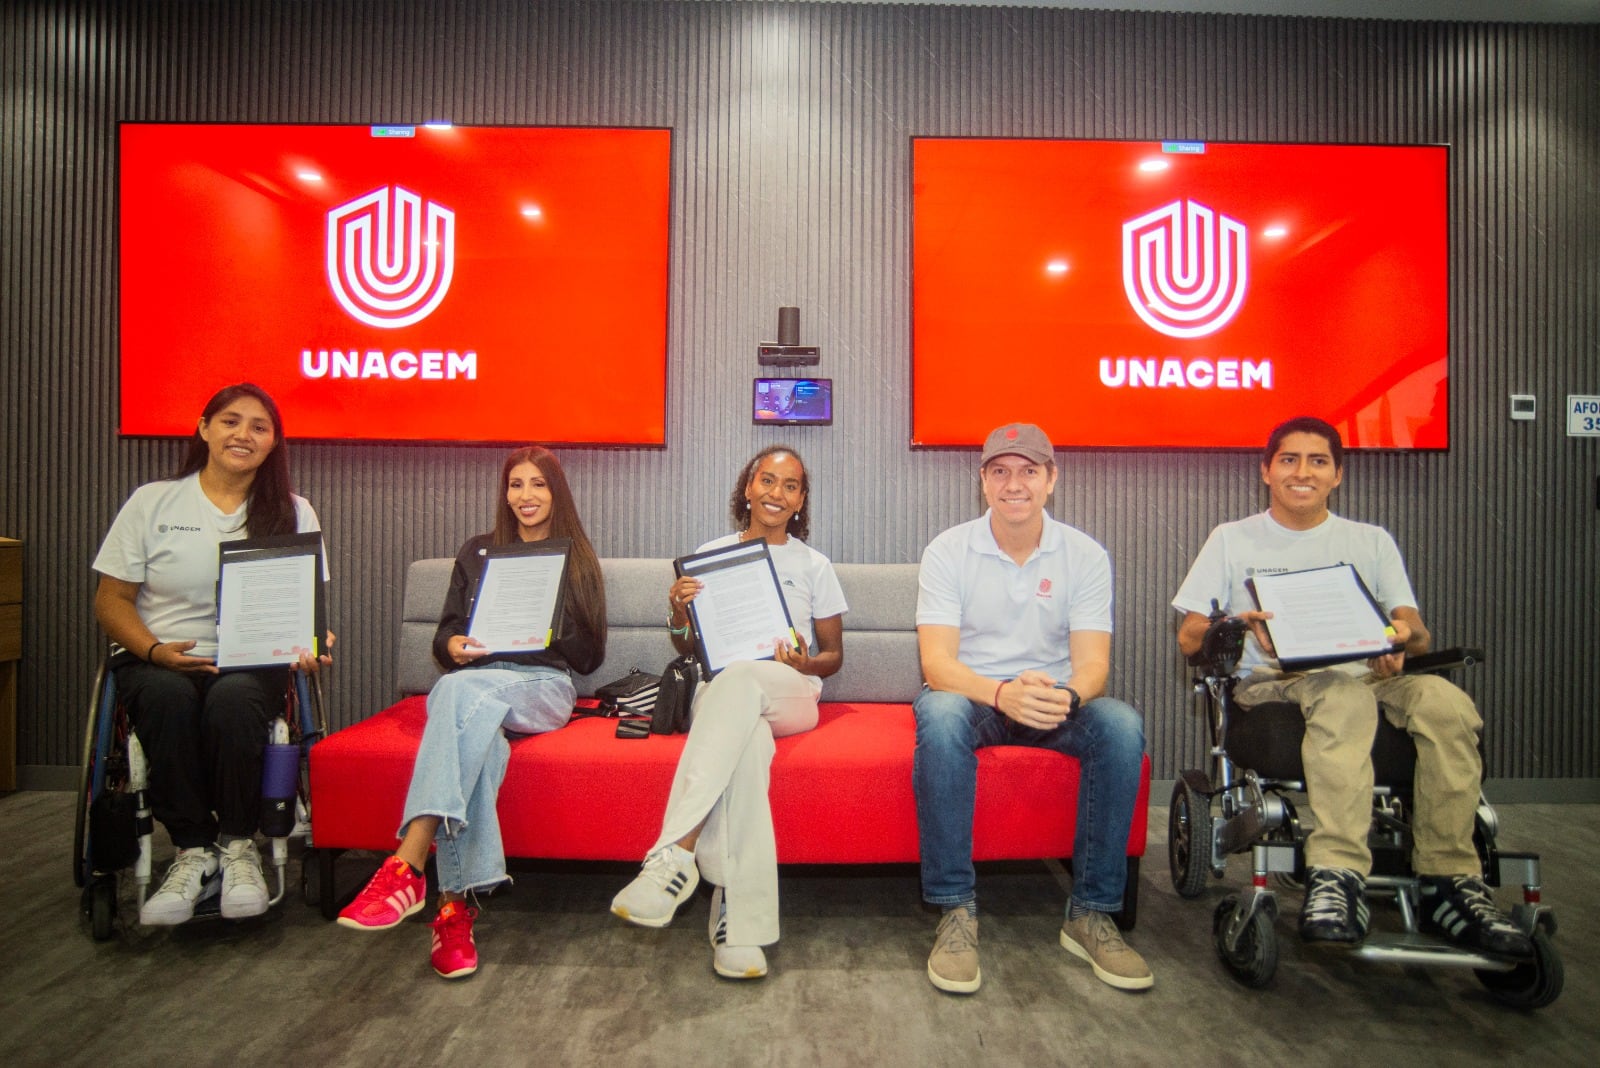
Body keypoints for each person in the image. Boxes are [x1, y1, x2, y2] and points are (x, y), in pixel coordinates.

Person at [1172, 415, 1532, 957]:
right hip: (1275, 681)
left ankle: (1451, 881)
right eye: (1289, 459)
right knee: (1341, 699)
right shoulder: (1232, 539)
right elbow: (1188, 637)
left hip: (1367, 675)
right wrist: (1237, 625)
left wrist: (1403, 636)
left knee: (1446, 702)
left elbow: (1414, 628)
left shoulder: (1369, 540)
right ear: (1267, 470)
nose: (1303, 472)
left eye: (1318, 462)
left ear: (1337, 475)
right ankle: (1337, 872)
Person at [336, 445, 607, 980]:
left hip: (543, 688)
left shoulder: (573, 556)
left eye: (538, 485)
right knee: (471, 721)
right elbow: (444, 637)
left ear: (557, 493)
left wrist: (547, 623)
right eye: (515, 485)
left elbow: (590, 656)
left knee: (457, 697)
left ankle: (408, 861)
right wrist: (455, 647)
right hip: (477, 683)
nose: (525, 496)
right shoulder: (478, 552)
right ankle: (453, 910)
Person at [913, 423, 1151, 995]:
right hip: (974, 696)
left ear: (1051, 480)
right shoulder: (948, 549)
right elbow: (936, 665)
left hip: (1051, 697)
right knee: (939, 716)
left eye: (1028, 471)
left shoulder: (1085, 555)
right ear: (983, 481)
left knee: (1121, 724)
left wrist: (1064, 696)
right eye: (1000, 471)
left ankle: (1091, 913)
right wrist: (1000, 693)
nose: (1013, 483)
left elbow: (1094, 665)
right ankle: (955, 911)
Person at [93, 382, 331, 926]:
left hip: (250, 661)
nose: (243, 434)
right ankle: (193, 851)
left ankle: (236, 844)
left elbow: (304, 609)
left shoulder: (294, 511)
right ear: (204, 428)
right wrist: (153, 650)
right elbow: (111, 601)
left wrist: (313, 642)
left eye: (259, 426)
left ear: (274, 444)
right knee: (168, 697)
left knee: (234, 700)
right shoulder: (153, 501)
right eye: (230, 421)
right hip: (160, 656)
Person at [610, 445, 847, 980]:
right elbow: (684, 648)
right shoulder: (712, 553)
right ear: (747, 488)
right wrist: (677, 611)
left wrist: (805, 660)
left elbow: (833, 658)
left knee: (740, 680)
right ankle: (738, 922)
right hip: (726, 698)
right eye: (767, 480)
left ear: (801, 500)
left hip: (790, 691)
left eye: (790, 486)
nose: (776, 493)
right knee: (746, 745)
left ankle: (676, 852)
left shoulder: (814, 565)